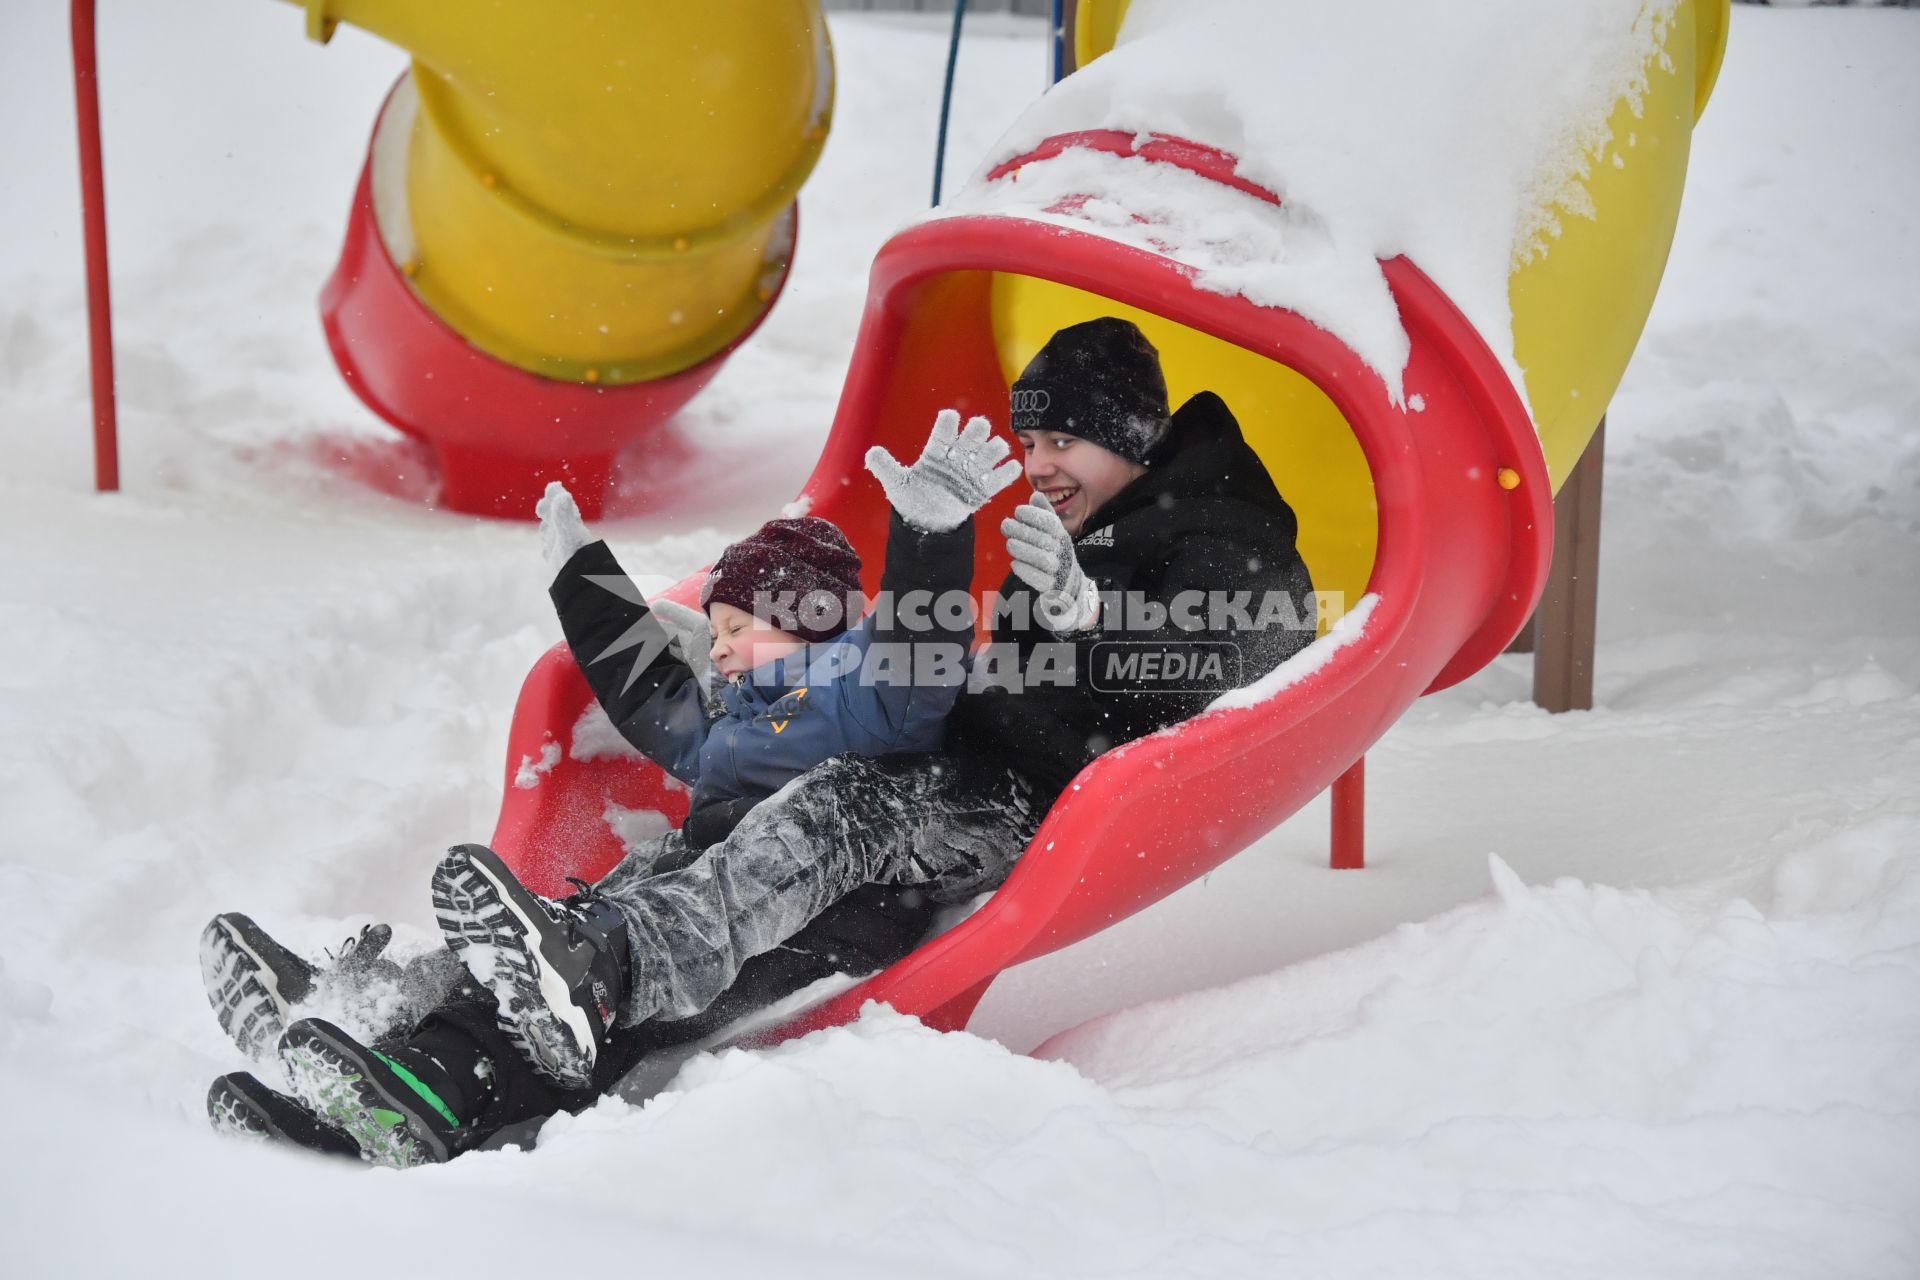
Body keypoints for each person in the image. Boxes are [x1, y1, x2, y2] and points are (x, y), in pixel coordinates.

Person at [207, 316, 1317, 1167]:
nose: (1039, 463)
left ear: (1132, 437)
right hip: (927, 772)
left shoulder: (1219, 533)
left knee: (834, 812)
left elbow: (1260, 650)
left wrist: (1094, 624)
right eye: (1030, 440)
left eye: (1061, 438)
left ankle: (597, 972)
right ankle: (398, 1040)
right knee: (662, 869)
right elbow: (923, 672)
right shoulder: (1057, 536)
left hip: (1005, 806)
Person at [203, 410, 1021, 1167]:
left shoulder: (867, 688)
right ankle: (400, 1054)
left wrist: (932, 535)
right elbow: (650, 693)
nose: (722, 647)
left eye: (739, 626)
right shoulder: (727, 726)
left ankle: (592, 969)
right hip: (705, 915)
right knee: (586, 940)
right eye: (719, 627)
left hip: (833, 906)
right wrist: (582, 580)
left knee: (649, 926)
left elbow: (923, 645)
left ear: (809, 619)